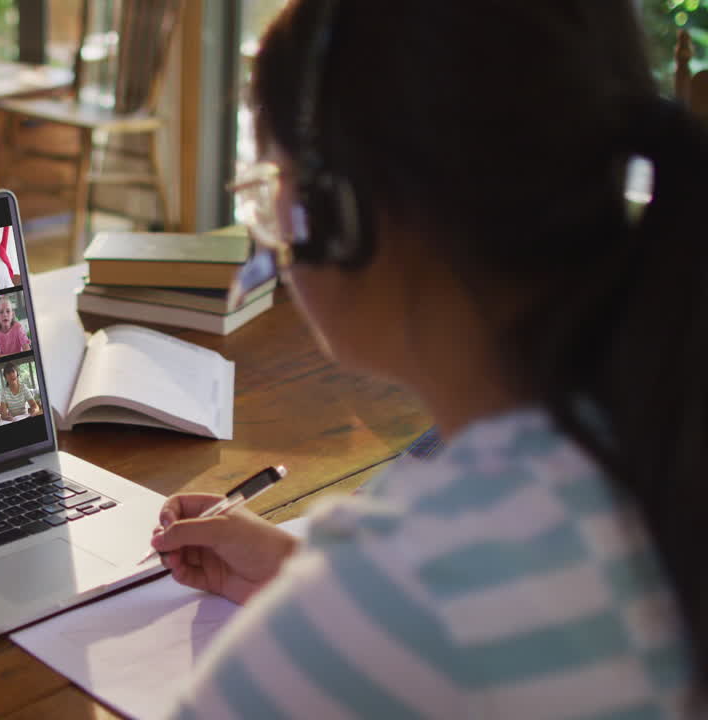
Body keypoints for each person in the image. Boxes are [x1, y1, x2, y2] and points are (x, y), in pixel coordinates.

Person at [149, 1, 704, 716]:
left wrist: (346, 613)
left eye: (270, 187)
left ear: (344, 211)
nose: (274, 237)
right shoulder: (654, 439)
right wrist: (308, 579)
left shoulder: (405, 592)